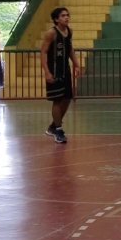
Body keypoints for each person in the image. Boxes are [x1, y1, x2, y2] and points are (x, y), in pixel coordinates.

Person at [40, 8, 81, 143]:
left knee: (67, 98)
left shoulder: (69, 31)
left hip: (65, 70)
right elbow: (44, 52)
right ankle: (58, 129)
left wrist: (76, 64)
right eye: (63, 16)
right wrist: (46, 71)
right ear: (56, 19)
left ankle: (53, 126)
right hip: (54, 70)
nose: (67, 17)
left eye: (68, 15)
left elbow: (70, 49)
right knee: (57, 100)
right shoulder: (51, 33)